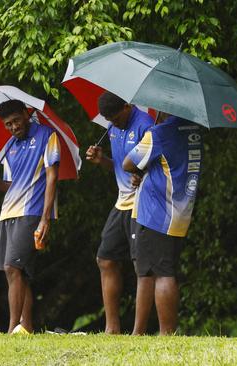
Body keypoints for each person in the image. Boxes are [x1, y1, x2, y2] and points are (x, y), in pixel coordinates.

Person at [0, 99, 60, 334]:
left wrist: (46, 218)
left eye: (16, 120)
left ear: (26, 115)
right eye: (8, 124)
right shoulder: (8, 146)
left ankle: (11, 329)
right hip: (8, 212)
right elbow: (12, 185)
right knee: (19, 273)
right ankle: (26, 328)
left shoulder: (47, 136)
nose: (13, 127)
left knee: (12, 268)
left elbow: (52, 178)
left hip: (32, 212)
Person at [123, 112, 203, 335]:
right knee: (148, 271)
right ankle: (138, 332)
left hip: (158, 213)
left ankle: (167, 333)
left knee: (162, 272)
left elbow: (128, 162)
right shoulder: (193, 128)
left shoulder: (159, 133)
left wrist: (142, 164)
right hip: (180, 211)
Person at [85, 92, 153, 334]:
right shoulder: (113, 127)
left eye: (115, 117)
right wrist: (102, 160)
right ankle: (111, 328)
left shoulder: (145, 124)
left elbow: (158, 160)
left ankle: (139, 331)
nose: (113, 123)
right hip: (121, 202)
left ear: (127, 106)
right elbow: (118, 164)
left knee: (141, 265)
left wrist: (143, 175)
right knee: (105, 259)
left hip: (142, 202)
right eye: (108, 120)